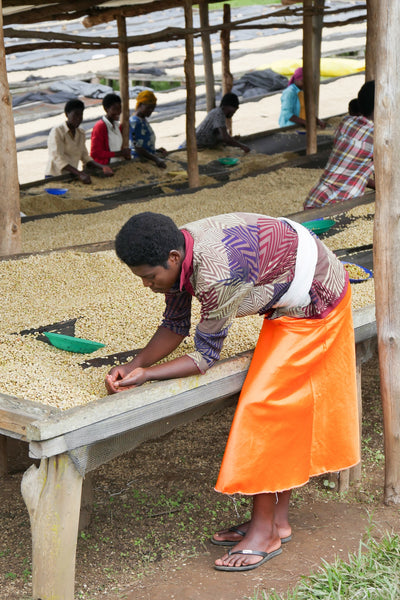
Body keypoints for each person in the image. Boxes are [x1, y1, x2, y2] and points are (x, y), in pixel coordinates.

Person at [105, 211, 360, 572]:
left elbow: (204, 356)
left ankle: (263, 533)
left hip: (317, 304)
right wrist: (132, 366)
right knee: (281, 411)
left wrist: (147, 374)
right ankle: (277, 523)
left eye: (150, 276)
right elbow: (175, 325)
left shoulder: (217, 273)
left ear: (174, 259)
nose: (147, 285)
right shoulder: (181, 251)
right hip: (291, 297)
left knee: (265, 411)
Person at [304, 80, 375, 209]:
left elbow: (354, 171)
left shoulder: (346, 122)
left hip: (316, 198)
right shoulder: (377, 137)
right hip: (337, 205)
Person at [45, 99, 114, 184]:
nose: (78, 118)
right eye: (75, 115)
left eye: (81, 115)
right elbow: (58, 158)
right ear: (67, 114)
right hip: (55, 176)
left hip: (71, 176)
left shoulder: (80, 133)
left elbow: (85, 156)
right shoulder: (57, 131)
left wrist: (102, 167)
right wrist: (79, 173)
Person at [129, 91, 167, 169]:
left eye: (153, 108)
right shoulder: (134, 122)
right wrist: (156, 159)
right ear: (140, 105)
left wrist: (156, 150)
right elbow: (137, 147)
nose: (151, 110)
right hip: (139, 162)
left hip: (148, 160)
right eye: (148, 107)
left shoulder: (143, 120)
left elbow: (143, 142)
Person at [90, 93, 131, 165]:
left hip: (118, 165)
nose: (118, 112)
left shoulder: (118, 126)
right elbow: (95, 153)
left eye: (119, 108)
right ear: (106, 109)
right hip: (106, 167)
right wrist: (119, 153)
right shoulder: (100, 126)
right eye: (115, 109)